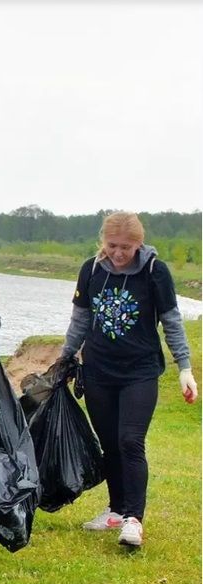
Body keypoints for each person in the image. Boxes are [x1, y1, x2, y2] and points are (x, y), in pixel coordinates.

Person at [60, 211, 196, 547]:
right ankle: (117, 510)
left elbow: (172, 322)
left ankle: (134, 520)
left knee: (130, 441)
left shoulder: (154, 272)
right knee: (109, 444)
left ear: (139, 243)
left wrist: (185, 367)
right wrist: (65, 358)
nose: (119, 253)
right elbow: (80, 320)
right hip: (98, 372)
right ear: (103, 242)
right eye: (113, 246)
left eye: (127, 247)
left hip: (140, 371)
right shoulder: (91, 270)